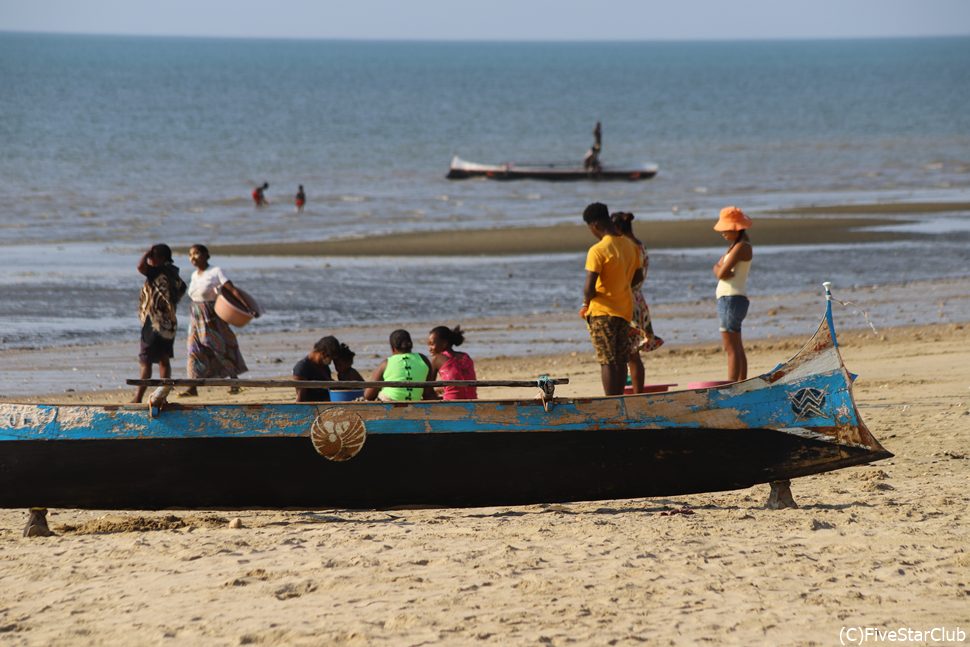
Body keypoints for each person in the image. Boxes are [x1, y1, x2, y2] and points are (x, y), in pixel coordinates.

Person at [580, 202, 642, 396]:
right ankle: (619, 399)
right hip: (624, 310)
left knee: (607, 360)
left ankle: (611, 400)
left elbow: (589, 288)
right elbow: (638, 278)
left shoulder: (597, 250)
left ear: (595, 225)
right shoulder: (630, 246)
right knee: (621, 360)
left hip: (602, 312)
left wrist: (586, 303)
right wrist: (620, 286)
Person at [178, 244, 253, 397]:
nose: (193, 257)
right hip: (195, 317)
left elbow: (231, 289)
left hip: (212, 316)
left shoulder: (215, 271)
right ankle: (193, 387)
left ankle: (234, 381)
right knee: (193, 349)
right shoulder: (194, 275)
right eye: (190, 254)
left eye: (196, 253)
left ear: (206, 255)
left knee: (218, 347)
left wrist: (247, 307)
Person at [611, 212, 664, 393]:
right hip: (639, 299)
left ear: (617, 228)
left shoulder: (628, 247)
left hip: (629, 300)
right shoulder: (641, 246)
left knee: (632, 353)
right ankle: (636, 391)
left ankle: (637, 393)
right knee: (633, 352)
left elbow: (630, 277)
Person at [132, 244, 187, 403]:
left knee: (146, 360)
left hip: (153, 322)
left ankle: (137, 397)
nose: (149, 259)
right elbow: (182, 288)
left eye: (151, 256)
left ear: (160, 259)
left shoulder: (157, 271)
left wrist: (146, 252)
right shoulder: (173, 274)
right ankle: (162, 397)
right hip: (169, 323)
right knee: (164, 359)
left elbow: (140, 267)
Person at [712, 206, 753, 382]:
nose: (723, 233)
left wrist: (720, 269)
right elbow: (716, 268)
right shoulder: (734, 247)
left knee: (731, 348)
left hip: (731, 298)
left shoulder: (741, 247)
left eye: (726, 229)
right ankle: (741, 382)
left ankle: (733, 385)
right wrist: (720, 269)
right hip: (733, 298)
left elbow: (720, 272)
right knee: (736, 346)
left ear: (736, 228)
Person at [364, 329, 434, 402]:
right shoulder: (423, 359)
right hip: (414, 404)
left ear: (393, 348)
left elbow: (368, 395)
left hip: (390, 404)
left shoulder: (386, 363)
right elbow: (428, 392)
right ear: (411, 345)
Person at [427, 325, 477, 400]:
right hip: (473, 402)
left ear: (444, 343)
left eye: (432, 344)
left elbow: (428, 389)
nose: (429, 349)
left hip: (452, 405)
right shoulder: (466, 357)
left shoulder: (437, 359)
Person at [293, 336, 340, 402]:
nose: (330, 363)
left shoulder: (323, 366)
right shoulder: (302, 368)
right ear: (323, 353)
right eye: (331, 359)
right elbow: (301, 399)